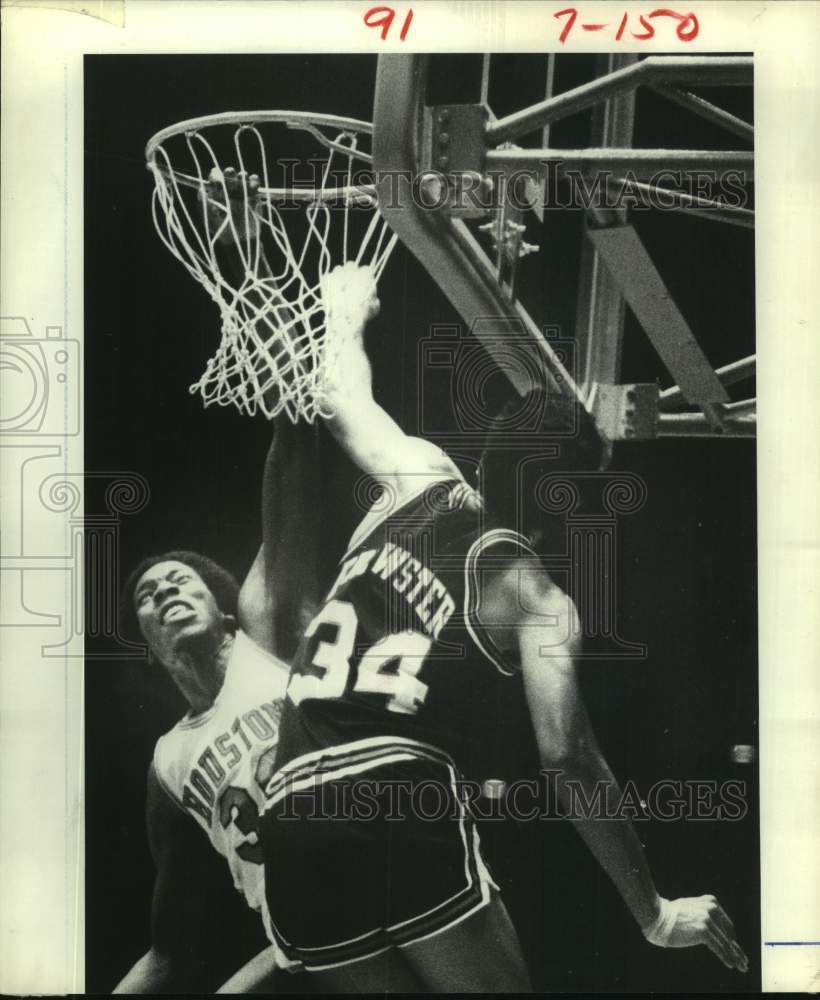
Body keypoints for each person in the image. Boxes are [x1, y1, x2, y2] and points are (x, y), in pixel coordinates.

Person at [259, 262, 750, 992]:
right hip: (396, 790)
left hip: (290, 804)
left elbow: (338, 393)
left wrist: (343, 311)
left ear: (488, 454)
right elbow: (568, 756)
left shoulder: (419, 473)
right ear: (571, 508)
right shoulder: (537, 595)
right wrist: (651, 911)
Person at [113, 419, 323, 994]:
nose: (166, 593)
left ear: (225, 612)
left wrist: (289, 405)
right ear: (150, 649)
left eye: (181, 581)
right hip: (300, 938)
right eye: (148, 597)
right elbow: (167, 949)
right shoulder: (168, 765)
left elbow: (288, 493)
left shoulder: (267, 638)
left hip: (373, 865)